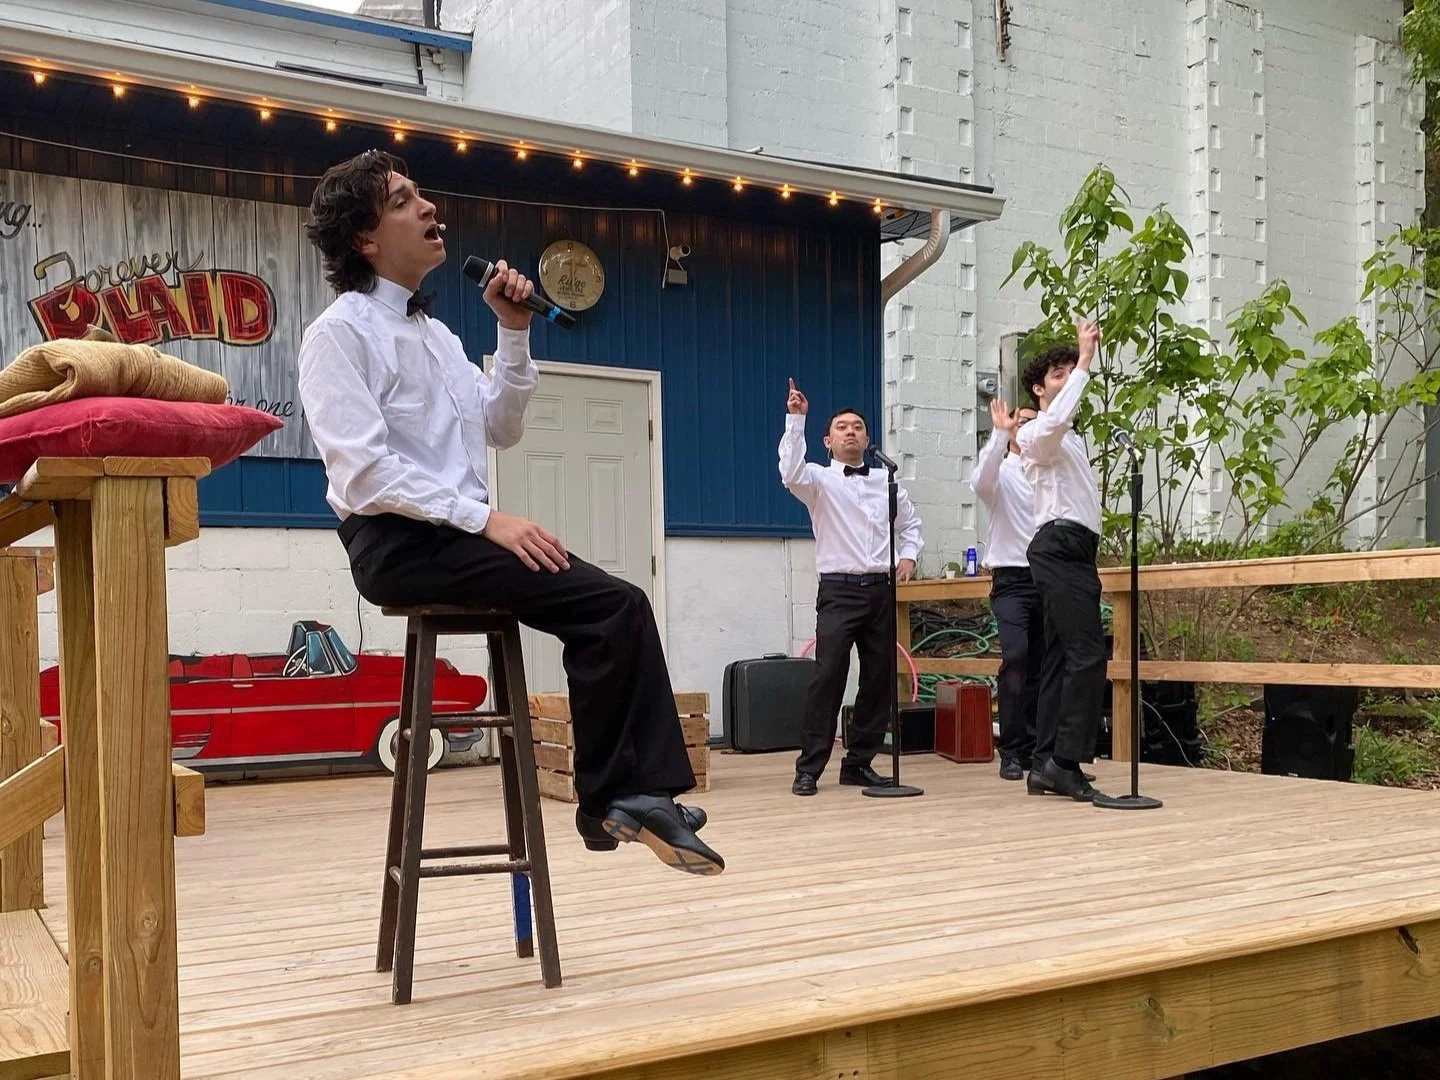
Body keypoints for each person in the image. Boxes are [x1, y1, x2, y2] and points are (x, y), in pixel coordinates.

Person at [295, 149, 723, 875]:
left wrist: (514, 330)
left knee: (616, 605)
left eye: (419, 192)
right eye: (403, 200)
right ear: (365, 239)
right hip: (397, 545)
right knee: (613, 605)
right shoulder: (338, 333)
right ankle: (622, 797)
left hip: (453, 533)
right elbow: (364, 473)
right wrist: (485, 519)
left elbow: (503, 425)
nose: (428, 208)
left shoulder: (437, 336)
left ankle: (622, 797)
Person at [779, 379, 923, 796]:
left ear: (868, 438)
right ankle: (809, 767)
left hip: (880, 589)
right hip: (839, 591)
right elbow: (789, 471)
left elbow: (910, 525)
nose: (851, 432)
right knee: (828, 675)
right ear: (828, 440)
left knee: (879, 679)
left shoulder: (887, 482)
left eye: (858, 426)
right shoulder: (819, 480)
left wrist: (909, 555)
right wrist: (796, 419)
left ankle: (859, 762)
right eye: (842, 427)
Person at [1015, 319, 1109, 801]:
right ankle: (1065, 761)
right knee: (1088, 654)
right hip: (1059, 546)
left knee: (1058, 658)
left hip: (1074, 548)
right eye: (1058, 374)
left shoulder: (1067, 437)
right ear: (1038, 388)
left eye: (1070, 371)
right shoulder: (1035, 432)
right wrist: (1086, 362)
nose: (1069, 377)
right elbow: (1053, 421)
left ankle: (1045, 762)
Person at [970, 397, 1043, 781]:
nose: (1028, 427)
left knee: (1047, 666)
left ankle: (1043, 752)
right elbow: (980, 480)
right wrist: (999, 435)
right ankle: (1012, 750)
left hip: (1049, 577)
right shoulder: (1001, 473)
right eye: (1022, 422)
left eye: (1035, 421)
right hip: (1013, 580)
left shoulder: (1051, 473)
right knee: (1016, 658)